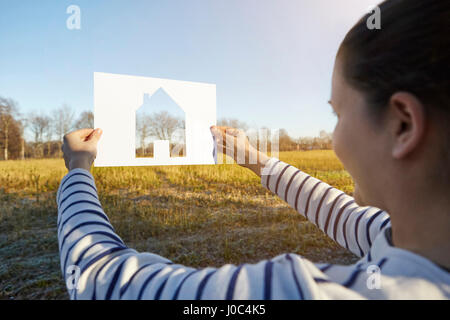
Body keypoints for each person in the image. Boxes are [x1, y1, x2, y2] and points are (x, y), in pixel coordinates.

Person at [58, 0, 449, 299]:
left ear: (402, 124)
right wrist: (253, 160)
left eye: (339, 113)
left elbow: (101, 282)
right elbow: (340, 214)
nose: (334, 139)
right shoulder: (414, 240)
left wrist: (78, 170)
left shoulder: (303, 291)